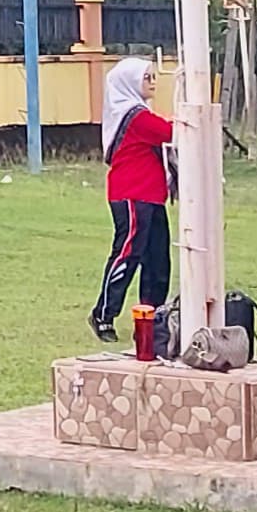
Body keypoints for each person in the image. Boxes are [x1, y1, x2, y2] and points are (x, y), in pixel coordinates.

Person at [93, 57, 174, 340]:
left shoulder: (138, 112)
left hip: (151, 195)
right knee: (128, 255)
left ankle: (152, 318)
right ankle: (103, 314)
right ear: (130, 82)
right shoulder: (134, 115)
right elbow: (169, 131)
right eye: (147, 78)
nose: (153, 83)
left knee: (157, 260)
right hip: (132, 194)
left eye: (153, 77)